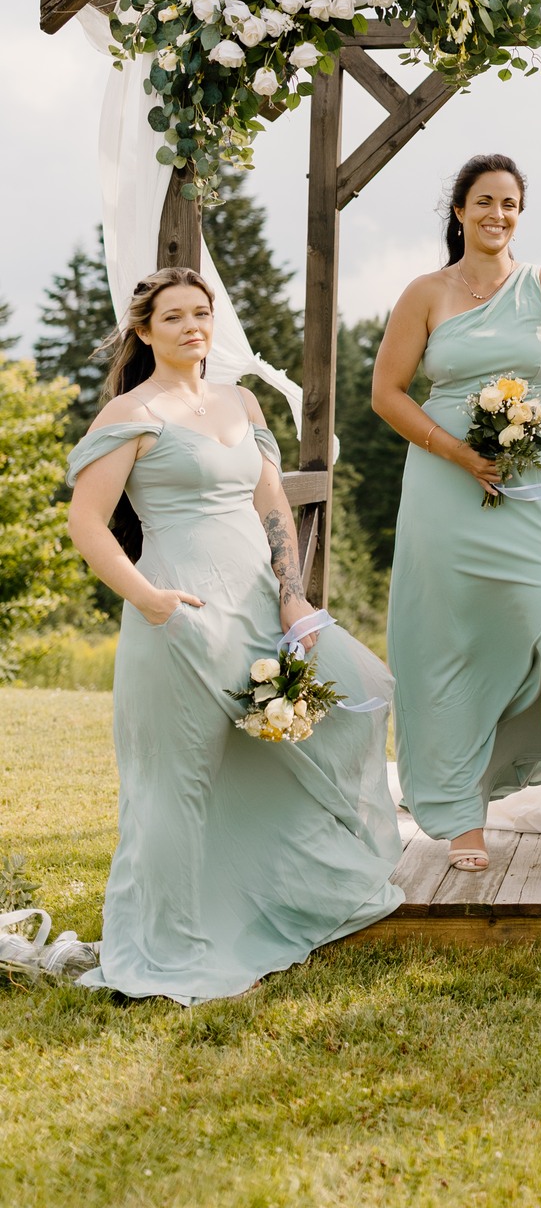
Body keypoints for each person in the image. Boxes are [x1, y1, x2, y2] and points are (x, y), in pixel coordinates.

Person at [64, 267, 401, 1006]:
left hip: (256, 603)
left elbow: (271, 503)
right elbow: (86, 522)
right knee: (178, 783)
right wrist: (149, 598)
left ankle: (286, 891)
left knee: (363, 691)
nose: (192, 326)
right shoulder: (132, 410)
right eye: (174, 316)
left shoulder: (239, 400)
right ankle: (173, 946)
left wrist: (292, 597)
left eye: (202, 313)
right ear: (145, 331)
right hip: (177, 611)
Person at [374, 154, 541, 883]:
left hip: (537, 487)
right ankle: (460, 812)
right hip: (447, 489)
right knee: (452, 643)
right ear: (458, 211)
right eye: (483, 201)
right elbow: (388, 392)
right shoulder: (425, 294)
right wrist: (456, 452)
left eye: (509, 203)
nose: (496, 215)